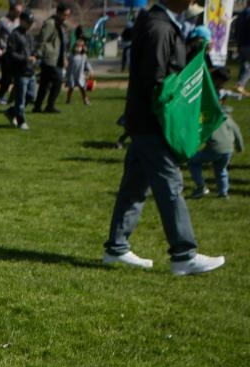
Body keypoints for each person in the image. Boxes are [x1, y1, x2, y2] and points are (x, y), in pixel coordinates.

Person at [102, 0, 225, 276]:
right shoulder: (159, 27)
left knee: (134, 186)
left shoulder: (158, 23)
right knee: (170, 185)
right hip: (153, 122)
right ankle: (183, 254)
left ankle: (116, 248)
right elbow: (156, 80)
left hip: (144, 121)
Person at [189, 68, 244, 199]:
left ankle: (200, 186)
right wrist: (240, 147)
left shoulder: (209, 119)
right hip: (228, 151)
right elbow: (237, 132)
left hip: (214, 149)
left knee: (193, 162)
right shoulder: (228, 118)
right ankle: (224, 193)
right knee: (221, 170)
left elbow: (200, 131)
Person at [32, 3, 71, 114]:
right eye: (65, 15)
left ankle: (37, 106)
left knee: (45, 84)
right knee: (58, 81)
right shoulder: (50, 24)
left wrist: (64, 57)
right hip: (50, 58)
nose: (66, 17)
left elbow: (62, 44)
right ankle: (50, 105)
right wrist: (37, 54)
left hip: (57, 58)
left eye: (68, 15)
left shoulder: (61, 26)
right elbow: (42, 40)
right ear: (58, 13)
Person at [3, 10, 37, 131]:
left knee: (32, 95)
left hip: (30, 70)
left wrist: (35, 56)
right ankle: (20, 120)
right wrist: (24, 59)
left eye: (31, 22)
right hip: (20, 71)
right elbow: (10, 53)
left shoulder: (29, 35)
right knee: (20, 98)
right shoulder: (14, 35)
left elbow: (33, 49)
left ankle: (11, 112)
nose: (30, 25)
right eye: (28, 22)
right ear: (21, 21)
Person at [0, 4, 23, 103]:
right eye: (17, 11)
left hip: (16, 52)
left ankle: (13, 97)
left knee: (17, 76)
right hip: (5, 52)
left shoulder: (20, 22)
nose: (19, 13)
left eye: (20, 11)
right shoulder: (2, 21)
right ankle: (1, 96)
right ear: (11, 10)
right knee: (6, 76)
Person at [65, 38, 93, 105]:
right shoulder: (71, 56)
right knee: (71, 88)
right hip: (72, 75)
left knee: (82, 88)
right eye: (77, 46)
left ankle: (85, 100)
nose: (78, 48)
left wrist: (90, 70)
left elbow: (87, 64)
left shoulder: (83, 56)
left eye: (80, 47)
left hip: (80, 75)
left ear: (82, 48)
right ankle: (68, 99)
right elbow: (66, 64)